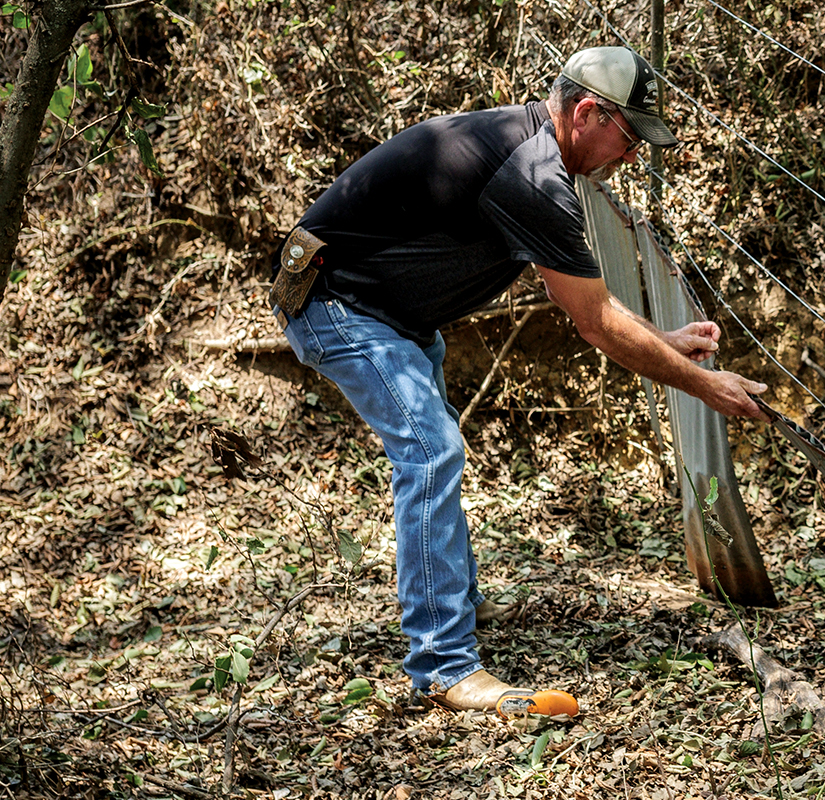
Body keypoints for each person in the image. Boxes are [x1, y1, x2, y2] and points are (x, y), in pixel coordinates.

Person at [270, 46, 767, 714]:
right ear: (588, 112)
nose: (631, 156)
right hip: (340, 306)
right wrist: (705, 386)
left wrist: (666, 342)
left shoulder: (535, 150)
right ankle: (444, 666)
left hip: (390, 313)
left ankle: (454, 611)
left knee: (432, 448)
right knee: (430, 451)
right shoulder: (531, 174)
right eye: (629, 137)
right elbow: (594, 323)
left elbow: (592, 303)